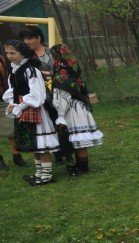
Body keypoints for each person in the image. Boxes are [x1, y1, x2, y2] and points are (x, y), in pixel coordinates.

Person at [3, 40, 59, 185]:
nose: (9, 56)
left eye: (13, 53)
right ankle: (39, 172)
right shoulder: (15, 71)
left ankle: (46, 175)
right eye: (7, 53)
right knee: (33, 143)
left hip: (35, 110)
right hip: (23, 109)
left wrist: (19, 105)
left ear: (22, 53)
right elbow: (13, 91)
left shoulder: (30, 70)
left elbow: (37, 95)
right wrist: (12, 104)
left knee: (40, 144)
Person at [50, 43, 103, 176]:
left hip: (71, 108)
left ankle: (83, 167)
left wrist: (60, 113)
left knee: (79, 140)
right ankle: (80, 164)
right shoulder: (74, 71)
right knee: (78, 140)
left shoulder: (62, 75)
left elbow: (62, 95)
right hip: (80, 107)